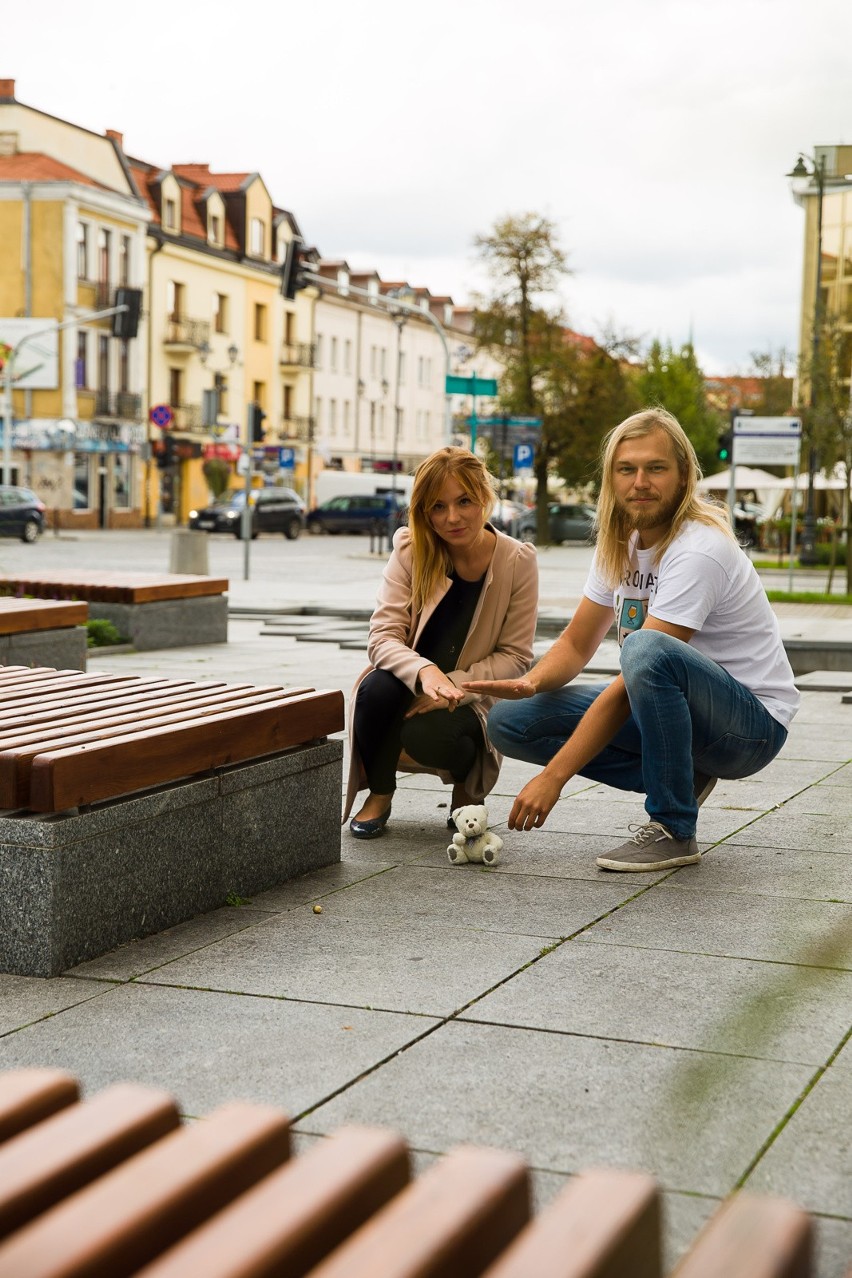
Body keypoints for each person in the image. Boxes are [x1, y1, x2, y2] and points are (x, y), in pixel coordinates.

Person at [463, 408, 799, 872]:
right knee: (510, 722)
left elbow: (637, 674)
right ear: (612, 479)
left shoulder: (699, 549)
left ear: (683, 476)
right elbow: (579, 642)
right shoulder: (620, 542)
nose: (640, 481)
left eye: (655, 468)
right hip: (681, 713)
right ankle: (681, 778)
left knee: (643, 647)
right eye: (627, 469)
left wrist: (554, 777)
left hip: (749, 727)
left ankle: (673, 827)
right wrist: (531, 683)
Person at [344, 446, 539, 838]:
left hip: (470, 698)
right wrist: (425, 672)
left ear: (484, 496)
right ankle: (380, 792)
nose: (452, 517)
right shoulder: (411, 550)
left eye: (464, 501)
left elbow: (516, 656)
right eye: (437, 507)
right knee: (374, 689)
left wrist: (454, 685)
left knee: (428, 735)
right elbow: (383, 636)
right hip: (408, 683)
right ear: (423, 512)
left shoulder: (517, 562)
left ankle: (467, 785)